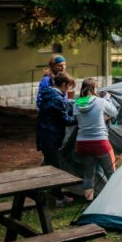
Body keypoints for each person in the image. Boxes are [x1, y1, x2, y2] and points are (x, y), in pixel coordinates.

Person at [36, 72, 76, 206]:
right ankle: (59, 198)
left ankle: (52, 192)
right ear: (64, 85)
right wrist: (79, 116)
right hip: (50, 137)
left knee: (50, 165)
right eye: (69, 87)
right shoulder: (56, 98)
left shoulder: (48, 94)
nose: (69, 91)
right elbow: (66, 120)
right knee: (55, 168)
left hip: (45, 135)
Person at [74, 78, 118, 201]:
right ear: (94, 88)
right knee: (111, 173)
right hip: (100, 143)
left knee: (88, 175)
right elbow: (114, 112)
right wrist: (107, 98)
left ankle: (89, 203)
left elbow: (83, 122)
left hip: (82, 143)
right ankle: (114, 201)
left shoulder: (76, 103)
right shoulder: (100, 101)